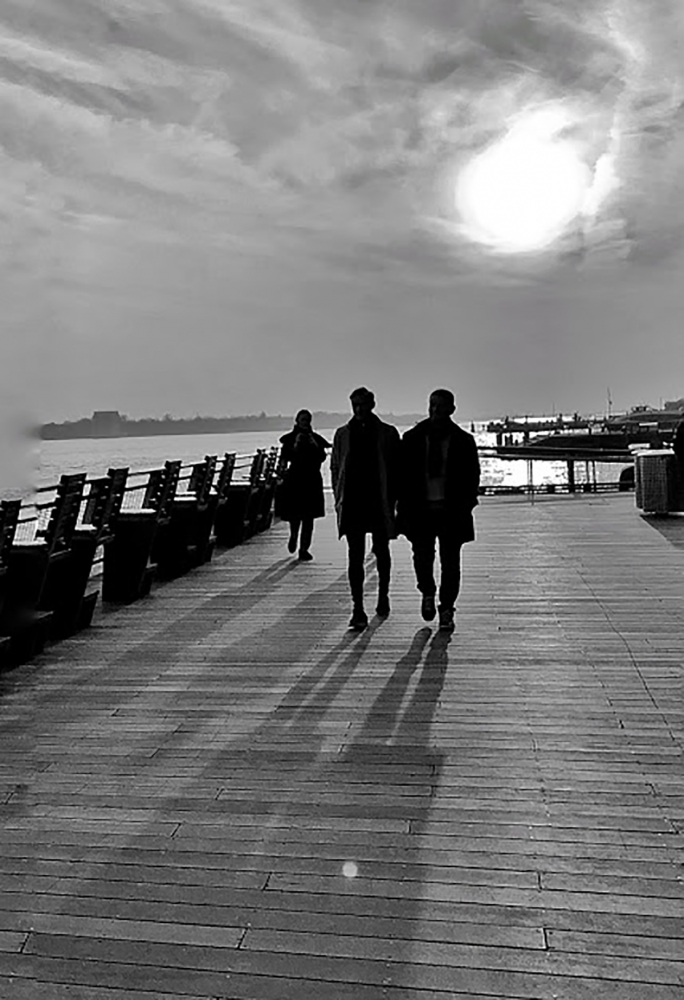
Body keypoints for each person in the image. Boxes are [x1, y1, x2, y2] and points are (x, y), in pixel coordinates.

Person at [398, 389, 480, 632]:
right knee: (422, 558)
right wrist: (401, 507)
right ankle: (427, 591)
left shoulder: (463, 440)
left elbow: (472, 475)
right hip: (420, 510)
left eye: (441, 406)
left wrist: (467, 503)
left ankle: (447, 608)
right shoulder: (413, 438)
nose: (435, 410)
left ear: (451, 409)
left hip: (451, 510)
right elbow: (402, 476)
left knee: (450, 563)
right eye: (432, 405)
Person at [331, 387, 401, 630]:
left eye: (363, 404)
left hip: (379, 500)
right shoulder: (342, 434)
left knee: (382, 550)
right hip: (352, 502)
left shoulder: (388, 433)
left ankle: (383, 595)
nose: (359, 409)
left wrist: (396, 502)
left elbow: (396, 469)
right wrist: (338, 498)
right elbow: (335, 466)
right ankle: (357, 607)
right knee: (354, 556)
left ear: (372, 405)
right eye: (355, 405)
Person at [278, 410, 331, 561]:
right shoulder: (290, 438)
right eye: (302, 420)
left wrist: (314, 444)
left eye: (307, 420)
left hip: (312, 479)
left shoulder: (315, 438)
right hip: (295, 478)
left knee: (309, 518)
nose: (305, 422)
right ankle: (294, 535)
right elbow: (285, 457)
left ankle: (304, 549)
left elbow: (321, 457)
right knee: (295, 515)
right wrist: (295, 445)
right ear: (297, 420)